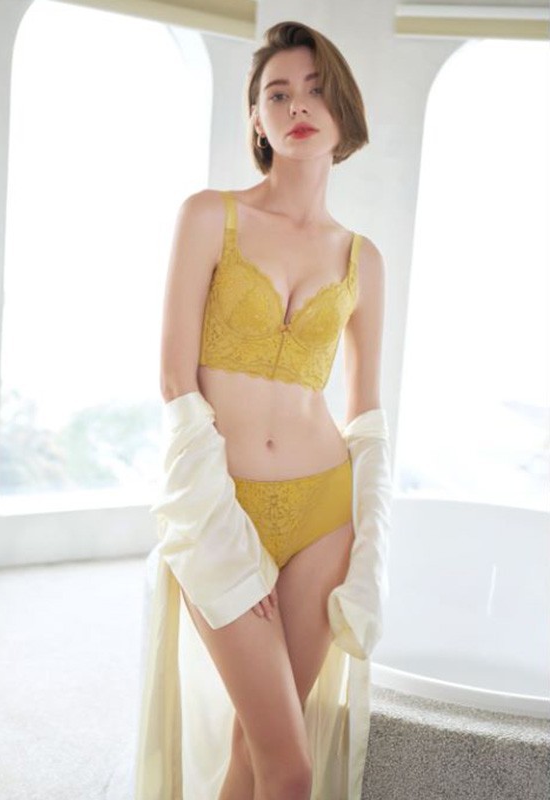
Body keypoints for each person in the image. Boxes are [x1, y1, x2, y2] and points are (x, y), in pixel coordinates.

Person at [134, 19, 392, 800]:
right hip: (223, 505)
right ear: (256, 118)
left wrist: (370, 542)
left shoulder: (363, 259)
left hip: (322, 513)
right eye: (277, 94)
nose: (297, 105)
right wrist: (219, 523)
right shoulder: (209, 216)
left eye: (316, 89)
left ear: (343, 111)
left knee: (261, 747)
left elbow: (365, 411)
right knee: (291, 767)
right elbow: (176, 379)